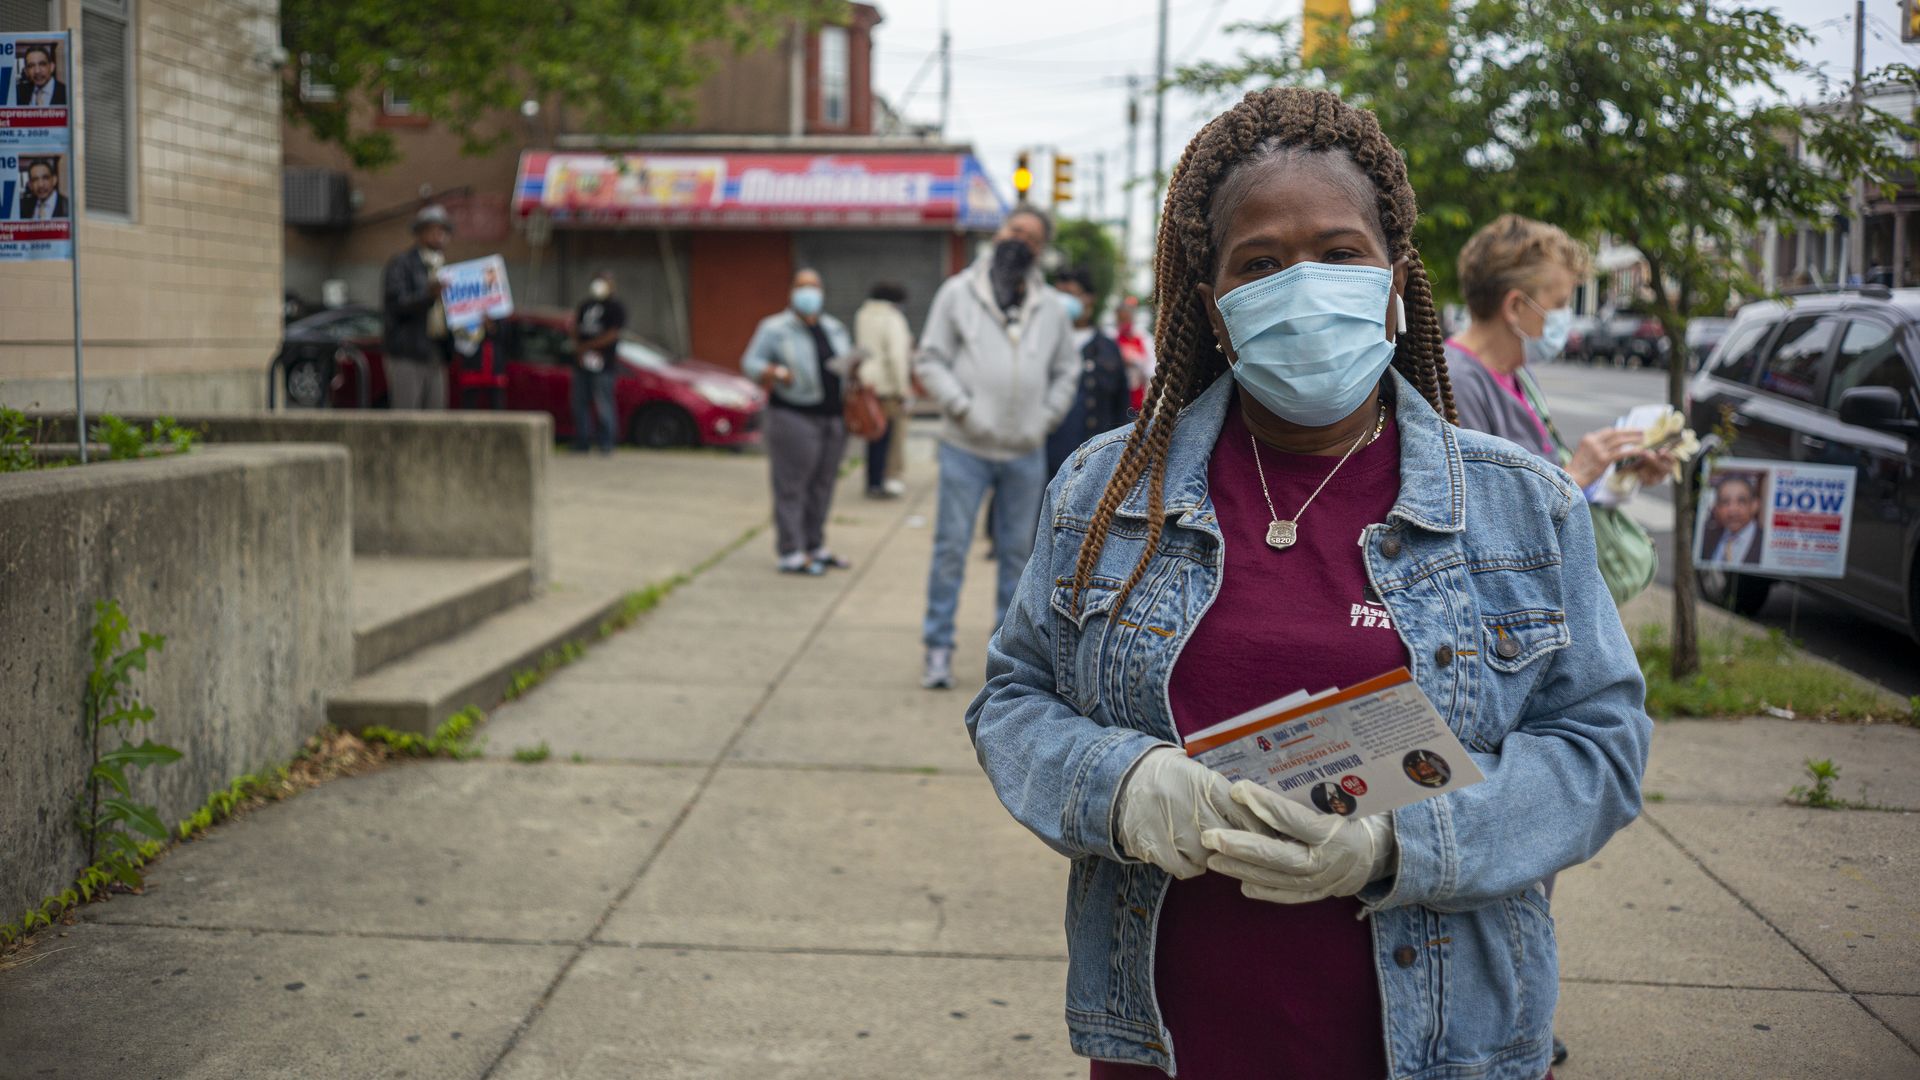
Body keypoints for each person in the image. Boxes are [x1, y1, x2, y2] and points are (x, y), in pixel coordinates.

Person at [967, 87, 1649, 1080]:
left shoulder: (1522, 508)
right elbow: (1013, 702)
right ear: (1213, 304)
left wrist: (1396, 842)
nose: (1303, 286)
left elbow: (1601, 750)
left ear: (1394, 280)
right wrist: (1125, 788)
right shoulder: (1106, 491)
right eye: (1261, 264)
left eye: (1338, 255)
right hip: (1169, 1046)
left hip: (1443, 1049)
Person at [914, 206, 1080, 689]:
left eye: (1030, 237)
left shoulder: (1050, 308)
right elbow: (930, 360)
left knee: (1018, 558)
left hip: (1024, 451)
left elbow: (1066, 370)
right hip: (965, 447)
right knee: (951, 549)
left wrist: (1044, 419)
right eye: (1013, 230)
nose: (1018, 241)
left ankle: (1003, 656)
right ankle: (938, 646)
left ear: (1040, 249)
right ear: (998, 233)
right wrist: (962, 407)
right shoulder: (958, 294)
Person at [1446, 215, 1672, 495]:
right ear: (1515, 307)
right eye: (1560, 303)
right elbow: (1484, 517)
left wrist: (1616, 470)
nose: (1565, 316)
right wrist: (1576, 475)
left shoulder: (1517, 371)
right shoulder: (1455, 384)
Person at [741, 268, 855, 575]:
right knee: (792, 485)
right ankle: (791, 550)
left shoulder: (833, 328)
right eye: (802, 287)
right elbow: (750, 363)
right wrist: (777, 373)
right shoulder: (775, 328)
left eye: (814, 287)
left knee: (824, 485)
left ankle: (815, 544)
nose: (809, 293)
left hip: (833, 418)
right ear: (792, 291)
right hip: (794, 416)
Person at [1046, 268, 1132, 480]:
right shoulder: (1043, 344)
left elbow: (1121, 406)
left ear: (1089, 299)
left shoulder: (1107, 348)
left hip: (1093, 465)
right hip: (1046, 463)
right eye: (1059, 295)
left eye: (1071, 295)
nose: (1063, 302)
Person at [381, 205, 454, 410]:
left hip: (436, 354)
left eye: (443, 231)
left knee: (435, 419)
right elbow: (397, 304)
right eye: (433, 229)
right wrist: (428, 296)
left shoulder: (445, 268)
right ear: (420, 233)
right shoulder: (402, 264)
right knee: (407, 417)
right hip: (407, 353)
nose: (439, 235)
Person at [854, 281, 914, 498]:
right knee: (892, 436)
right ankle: (888, 480)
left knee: (874, 435)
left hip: (867, 384)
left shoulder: (863, 315)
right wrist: (903, 389)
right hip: (889, 386)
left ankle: (873, 481)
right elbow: (897, 357)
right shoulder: (893, 318)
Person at [570, 269, 625, 454]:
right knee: (580, 403)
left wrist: (588, 346)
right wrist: (579, 347)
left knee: (603, 404)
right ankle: (582, 441)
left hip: (603, 364)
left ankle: (606, 442)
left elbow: (612, 334)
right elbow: (575, 328)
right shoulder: (585, 305)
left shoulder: (615, 307)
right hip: (582, 363)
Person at [1702, 472, 1764, 565]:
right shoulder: (1705, 539)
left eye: (1742, 501)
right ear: (1716, 508)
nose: (1732, 510)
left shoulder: (1766, 542)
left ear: (1755, 505)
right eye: (1725, 501)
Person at [1114, 295, 1154, 413]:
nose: (1124, 323)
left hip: (1137, 401)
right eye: (1121, 319)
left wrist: (1135, 360)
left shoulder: (1144, 338)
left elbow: (1151, 369)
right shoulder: (1111, 337)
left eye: (1126, 319)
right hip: (1116, 400)